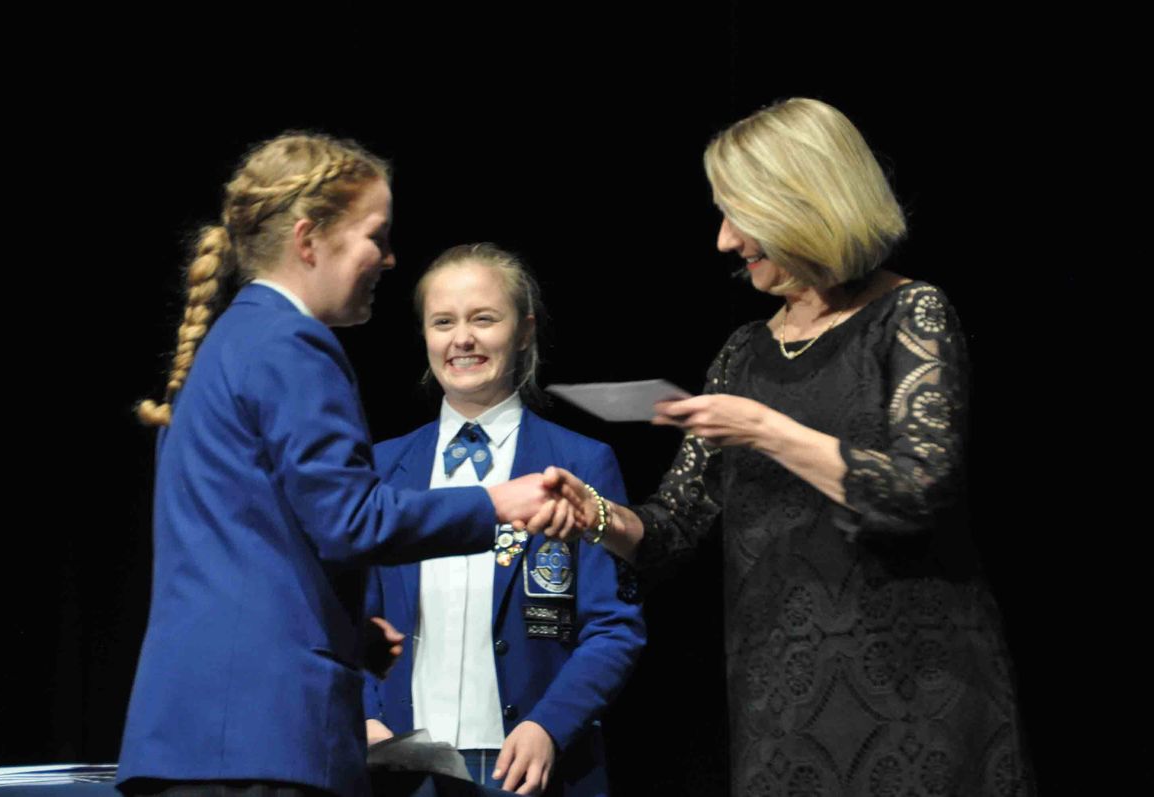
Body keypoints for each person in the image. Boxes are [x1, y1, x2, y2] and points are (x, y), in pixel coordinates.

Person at [544, 99, 1031, 795]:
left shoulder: (910, 314)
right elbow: (673, 529)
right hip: (782, 699)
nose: (724, 240)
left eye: (738, 214)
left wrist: (764, 429)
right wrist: (595, 514)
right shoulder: (743, 352)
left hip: (918, 691)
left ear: (802, 203)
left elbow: (919, 490)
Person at [116, 134, 555, 797]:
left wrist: (342, 633)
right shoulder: (292, 343)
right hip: (263, 738)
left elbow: (247, 540)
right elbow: (351, 520)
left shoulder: (230, 342)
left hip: (196, 730)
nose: (388, 257)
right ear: (309, 239)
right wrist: (497, 503)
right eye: (375, 236)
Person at [362, 244, 645, 796]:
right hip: (402, 765)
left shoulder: (580, 463)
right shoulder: (381, 467)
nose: (462, 338)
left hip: (530, 768)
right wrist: (367, 715)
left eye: (484, 319)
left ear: (523, 332)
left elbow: (614, 625)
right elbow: (345, 615)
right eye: (443, 322)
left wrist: (549, 725)